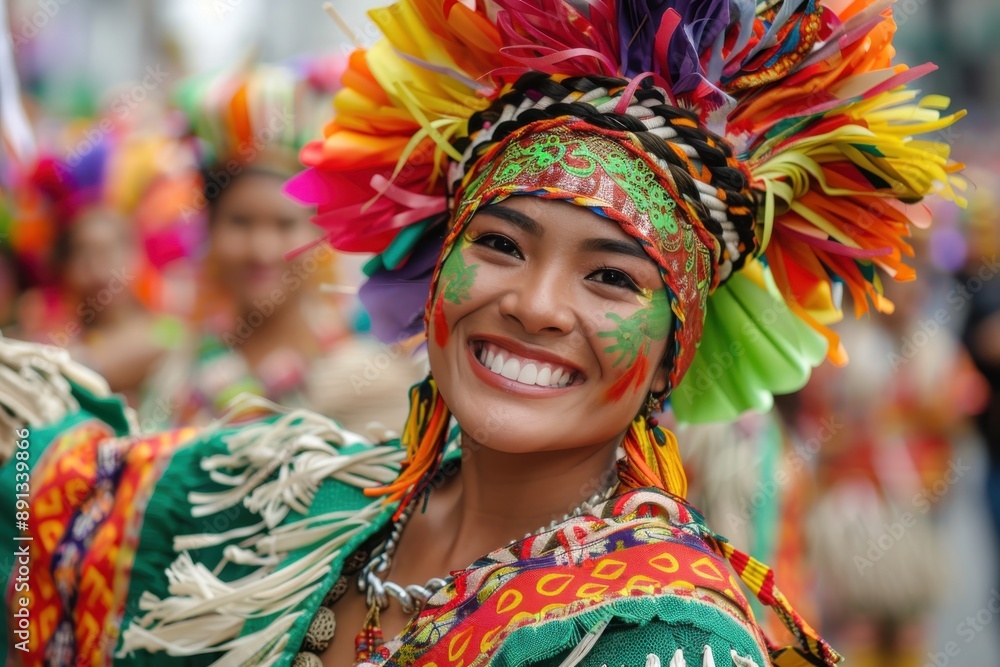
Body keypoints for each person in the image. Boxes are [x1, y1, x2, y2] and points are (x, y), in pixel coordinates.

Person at [1, 1, 963, 665]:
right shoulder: (302, 501)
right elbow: (49, 497)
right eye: (500, 242)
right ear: (435, 270)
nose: (537, 304)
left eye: (611, 276)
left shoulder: (659, 633)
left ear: (677, 349)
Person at [136, 59, 422, 433]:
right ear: (210, 230)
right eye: (240, 222)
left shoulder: (369, 381)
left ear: (320, 236)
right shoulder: (176, 377)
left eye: (285, 225)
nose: (262, 250)